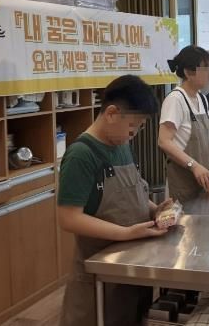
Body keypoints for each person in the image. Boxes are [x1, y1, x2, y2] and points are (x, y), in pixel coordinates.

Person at [57, 75, 170, 326]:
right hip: (99, 273)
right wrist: (126, 233)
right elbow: (68, 218)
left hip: (131, 267)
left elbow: (132, 193)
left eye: (139, 127)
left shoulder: (121, 145)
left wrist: (155, 210)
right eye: (132, 126)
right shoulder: (81, 155)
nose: (134, 134)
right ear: (111, 113)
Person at [158, 46, 209, 202]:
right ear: (189, 72)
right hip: (184, 184)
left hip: (204, 182)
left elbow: (196, 138)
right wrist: (193, 166)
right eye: (205, 69)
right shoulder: (175, 99)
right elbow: (164, 141)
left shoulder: (202, 98)